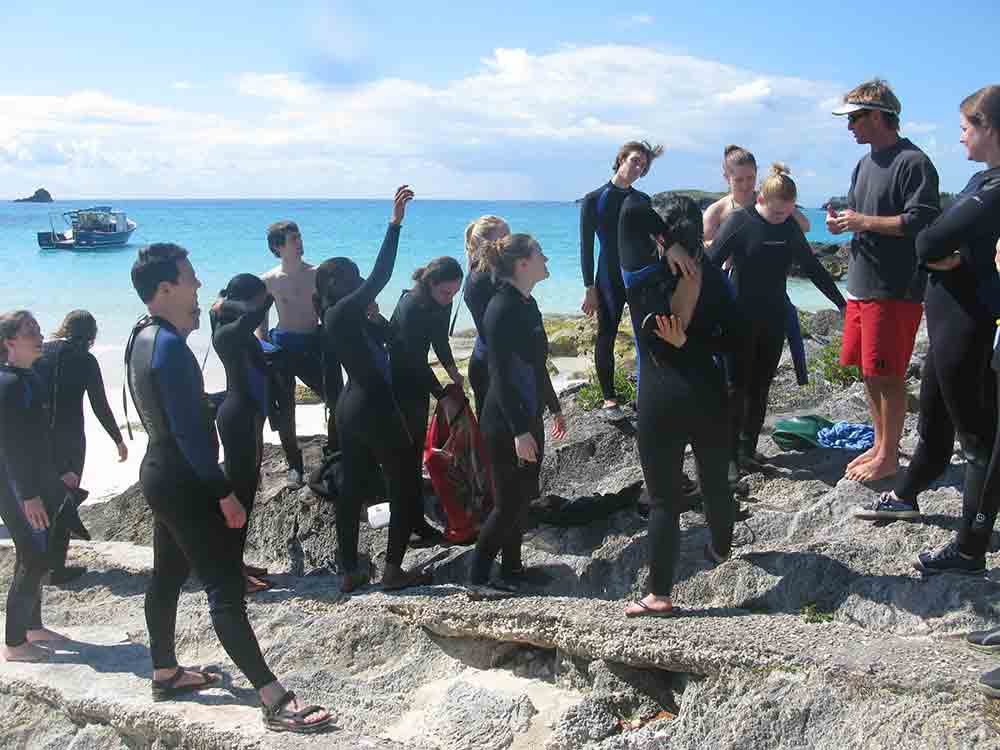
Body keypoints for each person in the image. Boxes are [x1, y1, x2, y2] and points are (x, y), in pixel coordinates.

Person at [125, 244, 330, 733]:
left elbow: (160, 411)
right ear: (166, 289)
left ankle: (165, 671)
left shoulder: (141, 335)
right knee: (224, 587)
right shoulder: (172, 347)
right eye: (190, 278)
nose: (198, 287)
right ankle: (274, 698)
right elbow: (191, 435)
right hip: (185, 478)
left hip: (158, 469)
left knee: (168, 575)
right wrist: (223, 492)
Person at [855, 87, 1000, 555]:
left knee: (976, 441)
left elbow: (926, 240)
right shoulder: (981, 181)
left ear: (989, 128)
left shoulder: (996, 187)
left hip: (968, 321)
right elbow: (939, 236)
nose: (959, 138)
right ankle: (904, 496)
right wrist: (956, 252)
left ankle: (969, 549)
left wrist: (952, 254)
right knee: (934, 424)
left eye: (964, 128)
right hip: (945, 322)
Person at [621, 196, 739, 618]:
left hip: (660, 396)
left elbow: (629, 211)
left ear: (661, 234)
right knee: (715, 483)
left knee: (666, 500)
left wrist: (663, 243)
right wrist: (692, 344)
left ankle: (659, 595)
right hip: (707, 392)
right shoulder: (716, 280)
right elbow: (735, 340)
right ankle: (722, 549)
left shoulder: (643, 276)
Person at [316, 186, 429, 593]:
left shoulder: (344, 316)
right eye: (354, 275)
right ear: (339, 282)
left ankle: (349, 569)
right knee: (402, 485)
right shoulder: (343, 311)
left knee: (353, 488)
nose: (363, 279)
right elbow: (382, 274)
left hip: (350, 407)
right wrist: (395, 224)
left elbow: (392, 341)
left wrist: (376, 318)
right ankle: (393, 570)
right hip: (375, 406)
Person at [828, 79, 941, 482]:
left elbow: (921, 221)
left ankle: (889, 456)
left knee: (888, 374)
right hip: (861, 283)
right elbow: (861, 215)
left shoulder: (913, 162)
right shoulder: (864, 163)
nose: (849, 127)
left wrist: (863, 221)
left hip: (894, 288)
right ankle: (880, 445)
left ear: (878, 116)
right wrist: (844, 223)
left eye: (855, 118)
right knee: (868, 371)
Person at [708, 164, 846, 474]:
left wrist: (841, 302)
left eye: (787, 213)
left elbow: (812, 267)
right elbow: (709, 266)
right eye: (776, 213)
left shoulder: (788, 228)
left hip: (773, 317)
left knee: (761, 387)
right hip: (738, 318)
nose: (781, 218)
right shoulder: (739, 222)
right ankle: (729, 459)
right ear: (760, 201)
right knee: (735, 389)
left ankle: (748, 450)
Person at [468, 234, 567, 597]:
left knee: (524, 498)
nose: (546, 258)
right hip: (505, 420)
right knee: (507, 502)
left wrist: (553, 405)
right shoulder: (500, 309)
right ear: (523, 264)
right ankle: (477, 578)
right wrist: (518, 432)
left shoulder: (528, 303)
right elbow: (501, 375)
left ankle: (512, 568)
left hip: (527, 415)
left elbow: (535, 365)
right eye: (540, 253)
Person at [0, 311, 81, 662]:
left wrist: (58, 472)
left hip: (32, 481)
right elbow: (13, 447)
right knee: (32, 556)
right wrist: (29, 496)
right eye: (28, 331)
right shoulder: (9, 384)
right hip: (16, 487)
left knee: (34, 553)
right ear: (9, 342)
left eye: (37, 328)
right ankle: (15, 643)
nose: (38, 335)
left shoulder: (27, 377)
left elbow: (38, 440)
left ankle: (32, 627)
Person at [703, 145, 813, 387]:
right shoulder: (717, 210)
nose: (745, 184)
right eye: (738, 179)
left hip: (770, 286)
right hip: (732, 287)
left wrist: (785, 207)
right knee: (729, 360)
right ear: (726, 177)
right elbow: (706, 251)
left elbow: (804, 227)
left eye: (751, 178)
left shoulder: (766, 200)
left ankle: (801, 376)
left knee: (790, 322)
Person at [32, 310, 127, 584]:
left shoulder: (41, 352)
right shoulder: (86, 360)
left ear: (64, 327)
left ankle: (40, 563)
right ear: (92, 335)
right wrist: (118, 439)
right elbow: (99, 405)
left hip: (39, 435)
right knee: (64, 500)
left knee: (45, 497)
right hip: (71, 439)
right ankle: (56, 569)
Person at [580, 140, 663, 419]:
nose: (638, 168)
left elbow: (654, 240)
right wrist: (588, 288)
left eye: (643, 165)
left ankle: (648, 392)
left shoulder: (641, 200)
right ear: (622, 158)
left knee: (648, 333)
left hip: (640, 275)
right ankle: (609, 399)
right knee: (607, 334)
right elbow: (586, 248)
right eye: (635, 161)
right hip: (608, 277)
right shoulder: (594, 199)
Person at [390, 257, 464, 545]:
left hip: (417, 381)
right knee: (406, 459)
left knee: (415, 454)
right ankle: (411, 523)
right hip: (398, 384)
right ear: (430, 283)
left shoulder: (439, 302)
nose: (449, 300)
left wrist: (453, 371)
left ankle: (416, 519)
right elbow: (412, 361)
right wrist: (441, 395)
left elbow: (439, 340)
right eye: (446, 293)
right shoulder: (411, 306)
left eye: (454, 295)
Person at [210, 275, 277, 594]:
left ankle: (236, 562)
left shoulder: (235, 330)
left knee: (247, 496)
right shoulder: (227, 333)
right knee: (240, 498)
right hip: (239, 418)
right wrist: (231, 303)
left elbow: (256, 310)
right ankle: (231, 571)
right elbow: (261, 308)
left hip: (249, 417)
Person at [256, 221, 326, 489]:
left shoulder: (316, 273)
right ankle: (294, 465)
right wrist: (261, 348)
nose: (299, 242)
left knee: (336, 396)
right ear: (278, 246)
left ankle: (336, 451)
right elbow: (262, 321)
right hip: (282, 347)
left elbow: (327, 311)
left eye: (299, 236)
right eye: (293, 238)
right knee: (285, 410)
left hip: (311, 344)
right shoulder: (269, 280)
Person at [463, 216, 511, 419]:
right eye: (504, 240)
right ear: (485, 245)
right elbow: (496, 332)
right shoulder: (481, 280)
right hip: (489, 367)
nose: (510, 244)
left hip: (489, 361)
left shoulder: (494, 274)